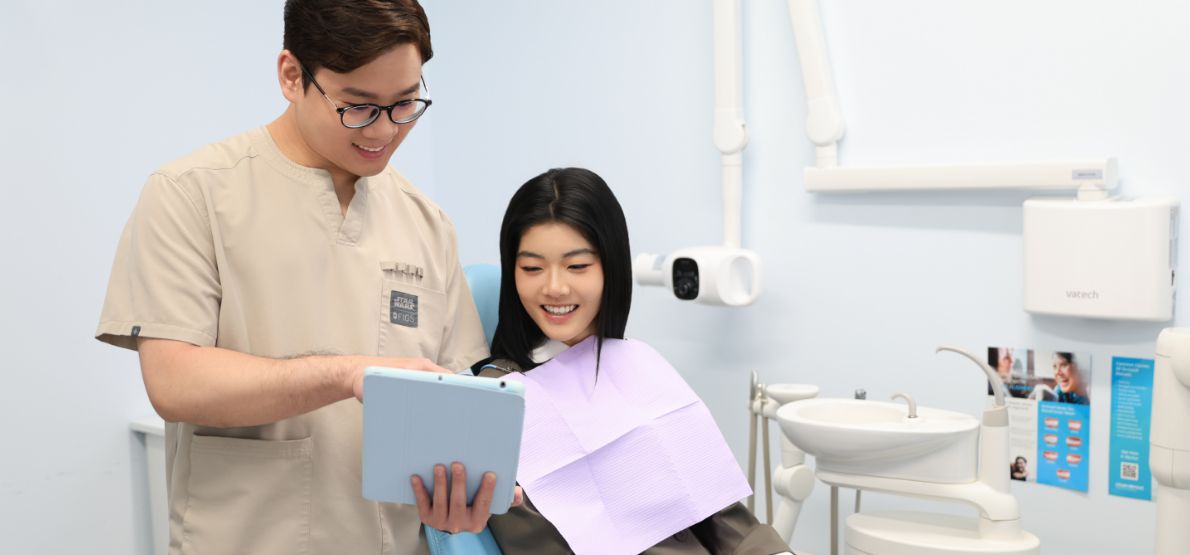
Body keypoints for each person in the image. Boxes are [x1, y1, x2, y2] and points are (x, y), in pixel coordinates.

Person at [95, 1, 500, 552]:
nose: (384, 131)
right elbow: (173, 383)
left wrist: (466, 490)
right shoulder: (192, 193)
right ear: (291, 75)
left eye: (405, 104)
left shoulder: (426, 222)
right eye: (358, 107)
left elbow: (451, 401)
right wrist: (347, 375)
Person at [473, 168, 793, 554]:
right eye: (532, 268)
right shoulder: (498, 400)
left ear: (612, 268)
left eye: (577, 266)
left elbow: (724, 519)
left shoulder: (638, 365)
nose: (554, 287)